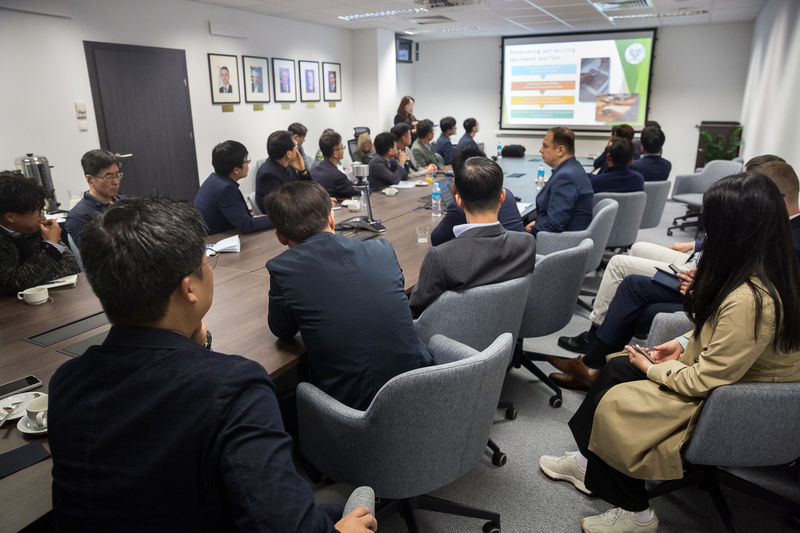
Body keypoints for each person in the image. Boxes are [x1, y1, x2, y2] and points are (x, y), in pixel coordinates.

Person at [48, 197, 377, 532]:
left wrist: (194, 346)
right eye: (206, 259)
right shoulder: (234, 387)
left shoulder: (66, 381)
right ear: (188, 287)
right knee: (340, 512)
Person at [539, 172, 800, 533]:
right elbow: (723, 334)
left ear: (735, 232)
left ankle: (637, 515)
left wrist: (650, 369)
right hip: (729, 379)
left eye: (714, 227)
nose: (708, 236)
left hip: (732, 399)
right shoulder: (762, 271)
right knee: (615, 367)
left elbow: (706, 379)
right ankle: (589, 464)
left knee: (620, 402)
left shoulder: (751, 299)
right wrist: (678, 345)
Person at [553, 159, 800, 391]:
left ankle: (592, 356)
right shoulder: (768, 249)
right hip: (705, 287)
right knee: (623, 346)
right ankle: (594, 358)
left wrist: (702, 284)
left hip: (707, 357)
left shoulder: (759, 287)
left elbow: (710, 372)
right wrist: (683, 342)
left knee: (631, 287)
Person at [265, 181, 434, 410]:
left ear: (281, 237)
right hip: (423, 385)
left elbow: (282, 330)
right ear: (331, 219)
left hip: (350, 413)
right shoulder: (382, 249)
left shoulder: (283, 269)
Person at [409, 155, 536, 318]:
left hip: (450, 338)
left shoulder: (442, 257)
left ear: (459, 201)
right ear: (502, 197)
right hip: (505, 332)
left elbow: (415, 312)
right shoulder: (526, 244)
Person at [0, 171, 79, 295]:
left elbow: (71, 266)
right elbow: (14, 284)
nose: (42, 214)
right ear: (10, 217)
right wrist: (49, 246)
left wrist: (32, 279)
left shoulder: (36, 226)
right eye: (37, 210)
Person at [430, 146, 525, 246]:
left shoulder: (461, 207)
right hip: (516, 256)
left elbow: (436, 239)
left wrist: (456, 202)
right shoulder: (508, 195)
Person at [194, 140, 273, 235]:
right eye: (246, 160)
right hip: (217, 241)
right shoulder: (226, 190)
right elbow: (247, 226)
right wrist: (278, 219)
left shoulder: (213, 180)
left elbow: (241, 217)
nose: (248, 164)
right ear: (236, 170)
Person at [526, 127, 593, 236]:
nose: (540, 150)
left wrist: (530, 232)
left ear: (561, 150)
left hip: (561, 245)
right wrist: (539, 222)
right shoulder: (574, 167)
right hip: (571, 237)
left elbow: (554, 226)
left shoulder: (565, 177)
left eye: (545, 146)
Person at [65, 149, 124, 249]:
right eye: (108, 177)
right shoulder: (79, 216)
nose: (116, 182)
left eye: (117, 175)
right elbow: (95, 256)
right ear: (90, 179)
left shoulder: (123, 202)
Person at [255, 130, 312, 210]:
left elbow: (307, 191)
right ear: (288, 154)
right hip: (283, 218)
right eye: (295, 145)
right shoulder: (268, 174)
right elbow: (282, 208)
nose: (296, 149)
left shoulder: (288, 165)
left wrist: (302, 171)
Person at [310, 131, 357, 199]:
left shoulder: (314, 166)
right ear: (335, 154)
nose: (343, 150)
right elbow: (356, 191)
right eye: (342, 147)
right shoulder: (338, 176)